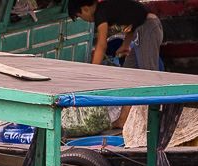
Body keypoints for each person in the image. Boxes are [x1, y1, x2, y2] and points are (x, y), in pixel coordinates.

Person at [68, 0, 163, 128]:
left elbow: (101, 45)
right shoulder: (109, 8)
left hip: (148, 28)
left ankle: (155, 123)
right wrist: (125, 45)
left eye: (81, 17)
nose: (84, 20)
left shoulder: (100, 12)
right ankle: (123, 119)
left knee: (150, 78)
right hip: (142, 28)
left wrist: (91, 72)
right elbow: (134, 20)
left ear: (85, 9)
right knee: (128, 75)